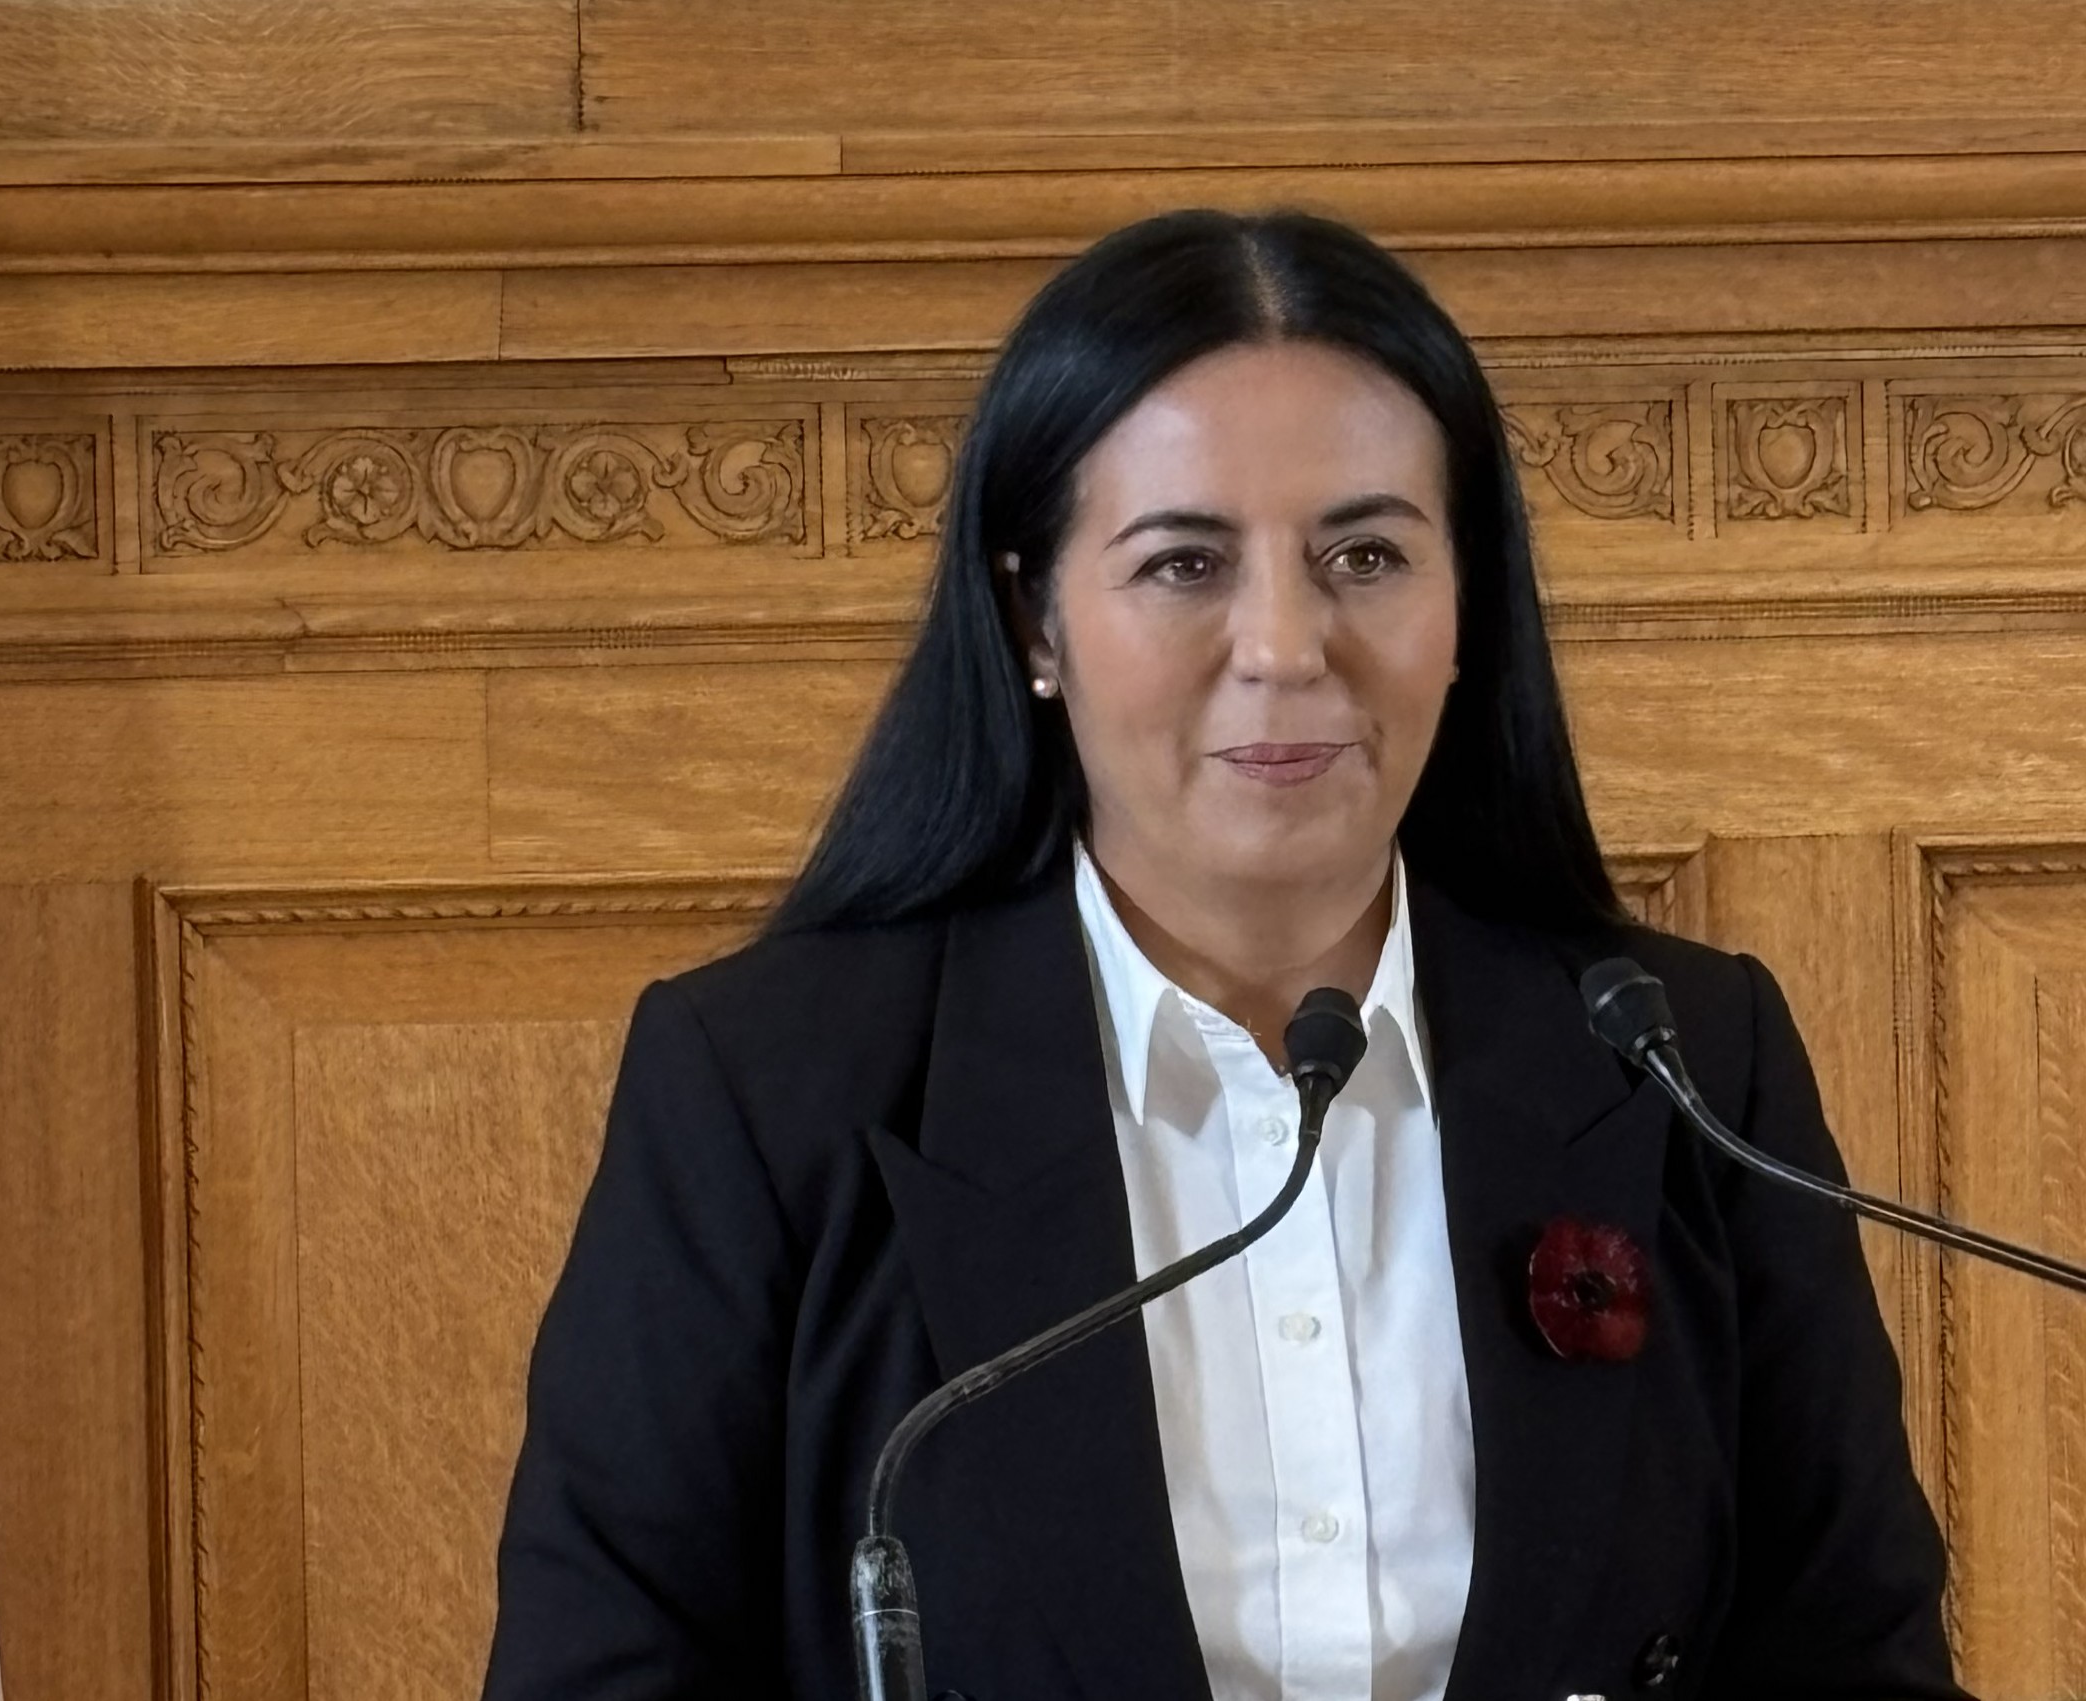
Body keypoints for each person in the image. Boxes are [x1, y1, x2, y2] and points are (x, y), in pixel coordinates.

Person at [482, 208, 1964, 1701]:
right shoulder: (767, 1095)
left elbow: (1859, 1659)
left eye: (1366, 554)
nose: (1284, 643)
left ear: (1468, 610)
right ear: (1035, 620)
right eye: (1184, 564)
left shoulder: (1685, 1066)